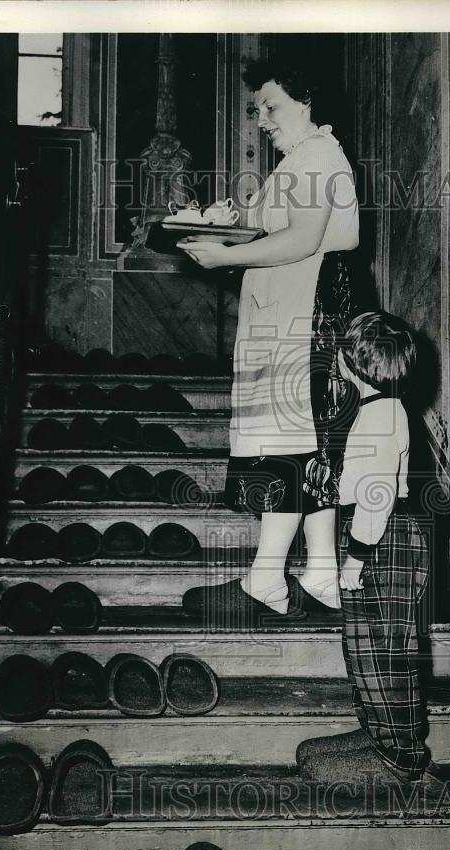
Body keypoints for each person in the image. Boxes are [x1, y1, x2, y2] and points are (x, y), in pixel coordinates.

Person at [180, 58, 360, 624]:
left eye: (271, 107)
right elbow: (261, 224)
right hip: (288, 315)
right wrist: (220, 222)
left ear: (307, 102)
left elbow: (304, 239)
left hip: (307, 317)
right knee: (304, 448)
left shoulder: (319, 157)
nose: (261, 120)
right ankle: (322, 575)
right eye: (257, 109)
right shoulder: (297, 162)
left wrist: (227, 254)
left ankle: (267, 581)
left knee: (289, 445)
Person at [296, 311, 436, 788]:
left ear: (353, 363)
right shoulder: (380, 408)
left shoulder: (381, 417)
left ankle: (402, 758)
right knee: (364, 648)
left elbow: (376, 495)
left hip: (382, 539)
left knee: (385, 651)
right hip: (379, 534)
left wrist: (354, 559)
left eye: (340, 349)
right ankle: (380, 733)